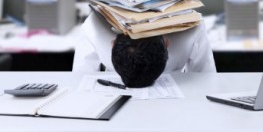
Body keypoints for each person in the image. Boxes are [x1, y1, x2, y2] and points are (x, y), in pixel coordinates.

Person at [75, 12, 216, 87]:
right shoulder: (192, 25)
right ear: (167, 42)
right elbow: (206, 79)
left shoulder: (94, 24)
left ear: (112, 43)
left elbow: (79, 79)